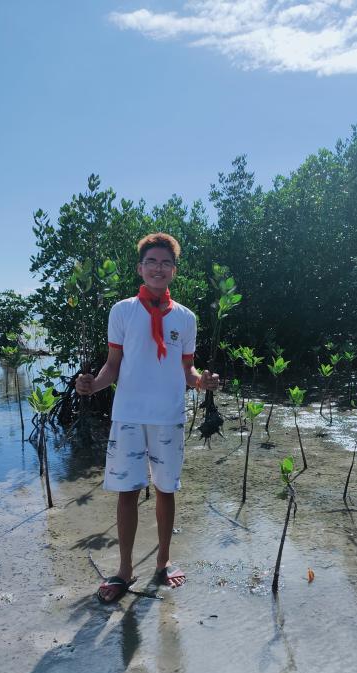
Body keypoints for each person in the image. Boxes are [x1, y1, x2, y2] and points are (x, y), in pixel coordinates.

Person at [76, 232, 219, 602]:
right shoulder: (122, 311)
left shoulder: (186, 318)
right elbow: (112, 366)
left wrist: (202, 382)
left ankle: (163, 562)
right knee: (127, 492)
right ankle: (124, 570)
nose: (159, 268)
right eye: (151, 262)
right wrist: (92, 386)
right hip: (128, 416)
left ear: (174, 271)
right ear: (140, 268)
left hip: (169, 416)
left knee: (166, 491)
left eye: (166, 263)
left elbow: (187, 371)